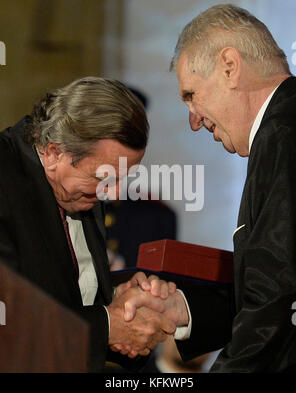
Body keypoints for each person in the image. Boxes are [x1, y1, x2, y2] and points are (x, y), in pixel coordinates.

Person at [118, 4, 296, 372]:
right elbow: (274, 285)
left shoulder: (284, 133)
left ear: (229, 67)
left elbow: (279, 305)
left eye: (191, 95)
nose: (193, 121)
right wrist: (185, 311)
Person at [0, 76, 179, 372]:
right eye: (105, 178)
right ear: (54, 152)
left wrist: (120, 300)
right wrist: (107, 325)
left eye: (122, 178)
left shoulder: (78, 188)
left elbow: (65, 292)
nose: (114, 193)